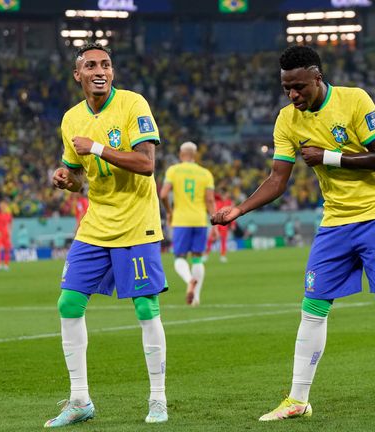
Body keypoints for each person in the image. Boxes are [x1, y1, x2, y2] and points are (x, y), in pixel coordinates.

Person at [211, 45, 375, 420]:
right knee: (313, 306)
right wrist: (238, 209)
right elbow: (277, 180)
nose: (293, 95)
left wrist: (329, 157)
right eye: (287, 88)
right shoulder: (287, 120)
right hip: (334, 221)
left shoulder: (354, 100)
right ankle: (298, 400)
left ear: (317, 78)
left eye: (300, 87)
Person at [47, 43, 169, 427]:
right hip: (96, 222)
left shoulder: (133, 105)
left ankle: (158, 399)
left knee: (145, 308)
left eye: (106, 64)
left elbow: (147, 164)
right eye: (90, 65)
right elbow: (79, 175)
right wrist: (68, 180)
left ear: (112, 73)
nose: (99, 70)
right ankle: (80, 399)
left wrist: (97, 147)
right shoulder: (71, 120)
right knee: (68, 303)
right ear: (78, 74)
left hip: (137, 222)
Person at [160, 141, 216, 306]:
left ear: (181, 154)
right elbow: (210, 200)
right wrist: (214, 224)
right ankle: (196, 298)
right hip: (200, 220)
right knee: (198, 259)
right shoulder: (205, 174)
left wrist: (169, 212)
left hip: (181, 220)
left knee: (179, 257)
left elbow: (163, 194)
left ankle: (189, 279)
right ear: (195, 155)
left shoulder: (173, 170)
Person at [206, 192, 234, 263]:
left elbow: (232, 213)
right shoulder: (217, 202)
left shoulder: (229, 202)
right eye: (223, 195)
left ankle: (223, 256)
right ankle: (206, 254)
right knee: (210, 239)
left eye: (225, 195)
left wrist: (233, 223)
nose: (225, 196)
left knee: (223, 240)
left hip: (224, 224)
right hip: (216, 224)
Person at [0, 199, 12, 271]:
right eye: (1, 204)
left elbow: (10, 224)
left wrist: (10, 233)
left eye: (4, 205)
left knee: (7, 250)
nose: (2, 206)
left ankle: (6, 265)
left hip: (6, 234)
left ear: (6, 206)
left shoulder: (8, 215)